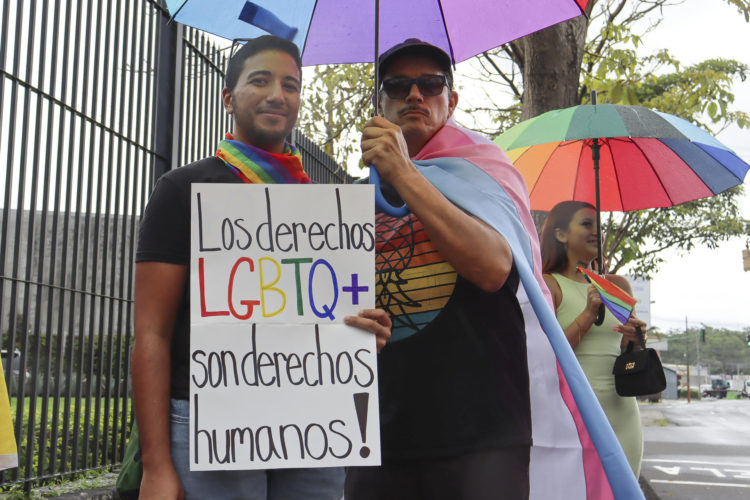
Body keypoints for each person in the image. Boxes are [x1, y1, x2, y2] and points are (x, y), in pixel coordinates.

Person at [132, 35, 391, 500]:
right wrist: (156, 464)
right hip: (209, 423)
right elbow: (151, 334)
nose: (278, 94)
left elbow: (328, 316)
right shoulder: (181, 189)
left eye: (291, 85)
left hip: (312, 425)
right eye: (261, 80)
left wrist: (361, 332)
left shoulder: (325, 206)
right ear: (228, 97)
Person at [345, 38, 554, 500]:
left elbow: (494, 268)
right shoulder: (352, 200)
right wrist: (356, 326)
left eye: (431, 84)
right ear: (380, 103)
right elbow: (334, 313)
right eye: (397, 86)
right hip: (379, 438)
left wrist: (404, 173)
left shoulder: (486, 175)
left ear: (451, 100)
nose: (414, 95)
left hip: (481, 439)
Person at [540, 200, 645, 477]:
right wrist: (588, 314)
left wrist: (635, 338)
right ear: (561, 234)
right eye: (586, 224)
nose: (596, 232)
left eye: (599, 226)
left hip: (621, 411)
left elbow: (623, 351)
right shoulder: (547, 285)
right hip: (573, 414)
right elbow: (546, 354)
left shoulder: (617, 286)